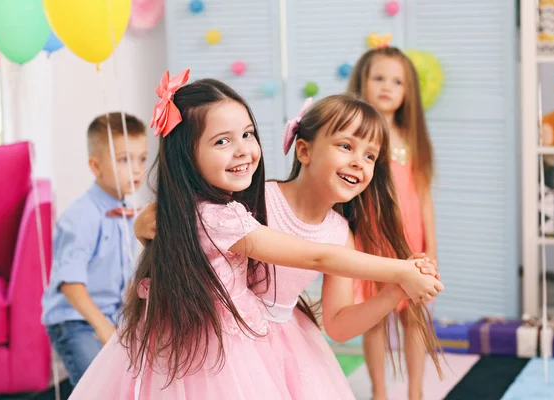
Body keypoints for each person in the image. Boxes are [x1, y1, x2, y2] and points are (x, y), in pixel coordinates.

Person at [132, 92, 443, 399]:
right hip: (221, 340)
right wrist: (401, 270)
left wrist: (395, 291)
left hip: (284, 348)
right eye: (346, 146)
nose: (358, 163)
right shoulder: (252, 199)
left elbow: (338, 325)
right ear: (304, 151)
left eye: (370, 155)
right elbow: (317, 258)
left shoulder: (340, 235)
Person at [348, 46, 439, 400]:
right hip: (372, 239)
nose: (387, 87)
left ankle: (415, 392)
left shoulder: (411, 137)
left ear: (408, 92)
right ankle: (379, 392)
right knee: (374, 318)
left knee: (414, 317)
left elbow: (424, 196)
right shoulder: (360, 133)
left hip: (411, 242)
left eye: (397, 81)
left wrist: (432, 248)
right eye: (379, 78)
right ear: (363, 83)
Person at [41, 112, 148, 386]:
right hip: (76, 319)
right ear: (96, 166)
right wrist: (104, 330)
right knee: (96, 386)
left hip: (112, 315)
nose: (136, 169)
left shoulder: (127, 213)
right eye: (125, 159)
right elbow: (70, 284)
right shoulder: (81, 216)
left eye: (142, 158)